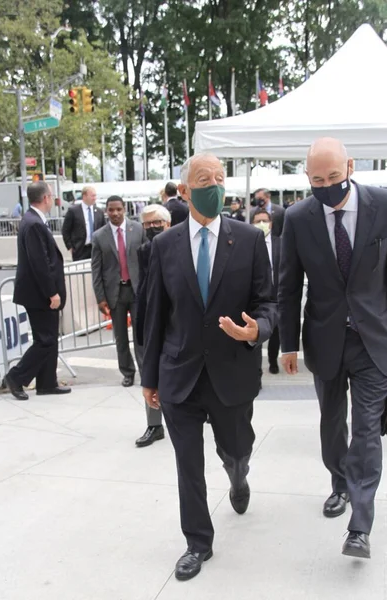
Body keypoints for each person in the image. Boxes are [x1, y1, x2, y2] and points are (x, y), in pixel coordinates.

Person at [142, 153, 275, 581]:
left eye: (220, 178)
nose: (215, 186)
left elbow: (268, 305)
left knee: (235, 448)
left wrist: (255, 331)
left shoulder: (251, 240)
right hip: (179, 374)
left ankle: (238, 475)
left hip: (231, 373)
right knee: (188, 465)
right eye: (204, 179)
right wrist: (149, 379)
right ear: (184, 191)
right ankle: (198, 542)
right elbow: (154, 318)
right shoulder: (163, 246)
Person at [278, 137, 387, 560]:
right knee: (332, 423)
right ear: (307, 178)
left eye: (333, 177)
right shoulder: (297, 218)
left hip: (374, 339)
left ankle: (360, 527)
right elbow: (287, 286)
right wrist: (288, 343)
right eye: (317, 179)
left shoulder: (385, 205)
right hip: (325, 339)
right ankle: (340, 483)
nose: (326, 185)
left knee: (367, 429)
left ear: (350, 167)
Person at [3, 181, 70, 400]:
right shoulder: (33, 224)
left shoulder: (33, 221)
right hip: (40, 294)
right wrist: (52, 293)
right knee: (46, 340)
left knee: (49, 337)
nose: (52, 199)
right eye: (51, 196)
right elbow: (40, 263)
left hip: (38, 293)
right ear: (46, 198)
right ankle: (17, 376)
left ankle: (47, 382)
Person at [91, 195, 146, 387]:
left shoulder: (138, 230)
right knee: (120, 337)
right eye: (111, 210)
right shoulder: (99, 236)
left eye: (118, 209)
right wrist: (100, 298)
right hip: (115, 293)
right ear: (106, 211)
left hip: (137, 291)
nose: (115, 213)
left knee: (141, 335)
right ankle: (127, 373)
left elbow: (146, 261)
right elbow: (96, 270)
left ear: (124, 210)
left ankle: (145, 371)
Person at [134, 204, 171, 448]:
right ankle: (154, 425)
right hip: (149, 316)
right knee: (149, 372)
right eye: (147, 224)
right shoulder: (144, 250)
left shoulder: (181, 245)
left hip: (178, 319)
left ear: (168, 224)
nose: (152, 227)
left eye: (157, 223)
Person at [251, 208, 281, 379]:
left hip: (277, 295)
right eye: (257, 221)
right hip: (256, 297)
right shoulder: (247, 244)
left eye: (265, 220)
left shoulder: (280, 243)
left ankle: (273, 361)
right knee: (255, 333)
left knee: (275, 332)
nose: (261, 224)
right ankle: (257, 372)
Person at [62, 186, 105, 261]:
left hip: (96, 249)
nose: (94, 198)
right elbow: (65, 230)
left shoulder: (99, 212)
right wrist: (70, 247)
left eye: (95, 195)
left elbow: (104, 230)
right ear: (84, 196)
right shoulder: (73, 211)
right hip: (80, 250)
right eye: (92, 196)